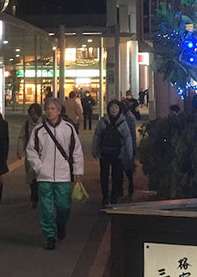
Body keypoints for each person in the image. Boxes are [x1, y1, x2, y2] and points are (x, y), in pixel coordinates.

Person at [26, 97, 84, 250]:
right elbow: (31, 151)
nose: (50, 111)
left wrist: (78, 171)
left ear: (59, 111)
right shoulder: (38, 130)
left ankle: (61, 223)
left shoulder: (68, 128)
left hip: (63, 175)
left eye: (53, 109)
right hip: (44, 176)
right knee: (46, 207)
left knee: (63, 205)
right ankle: (50, 236)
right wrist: (39, 167)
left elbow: (76, 151)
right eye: (48, 109)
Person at [92, 100, 133, 206]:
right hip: (105, 153)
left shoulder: (122, 122)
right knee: (104, 176)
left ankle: (113, 197)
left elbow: (128, 139)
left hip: (118, 154)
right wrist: (94, 149)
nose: (114, 110)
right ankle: (106, 196)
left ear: (120, 110)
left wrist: (129, 152)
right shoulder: (103, 121)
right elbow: (97, 135)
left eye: (116, 108)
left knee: (117, 176)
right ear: (108, 109)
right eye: (112, 107)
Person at [16, 102, 43, 208]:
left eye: (34, 113)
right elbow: (22, 137)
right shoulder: (27, 124)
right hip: (30, 153)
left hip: (42, 153)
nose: (33, 115)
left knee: (40, 175)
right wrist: (20, 150)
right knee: (31, 176)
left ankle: (37, 196)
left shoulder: (44, 123)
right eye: (31, 113)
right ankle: (34, 195)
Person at [119, 101, 137, 201]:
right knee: (124, 169)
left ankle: (127, 186)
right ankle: (125, 187)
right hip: (123, 148)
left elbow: (132, 135)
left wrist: (133, 147)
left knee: (125, 169)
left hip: (126, 147)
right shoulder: (129, 118)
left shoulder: (129, 119)